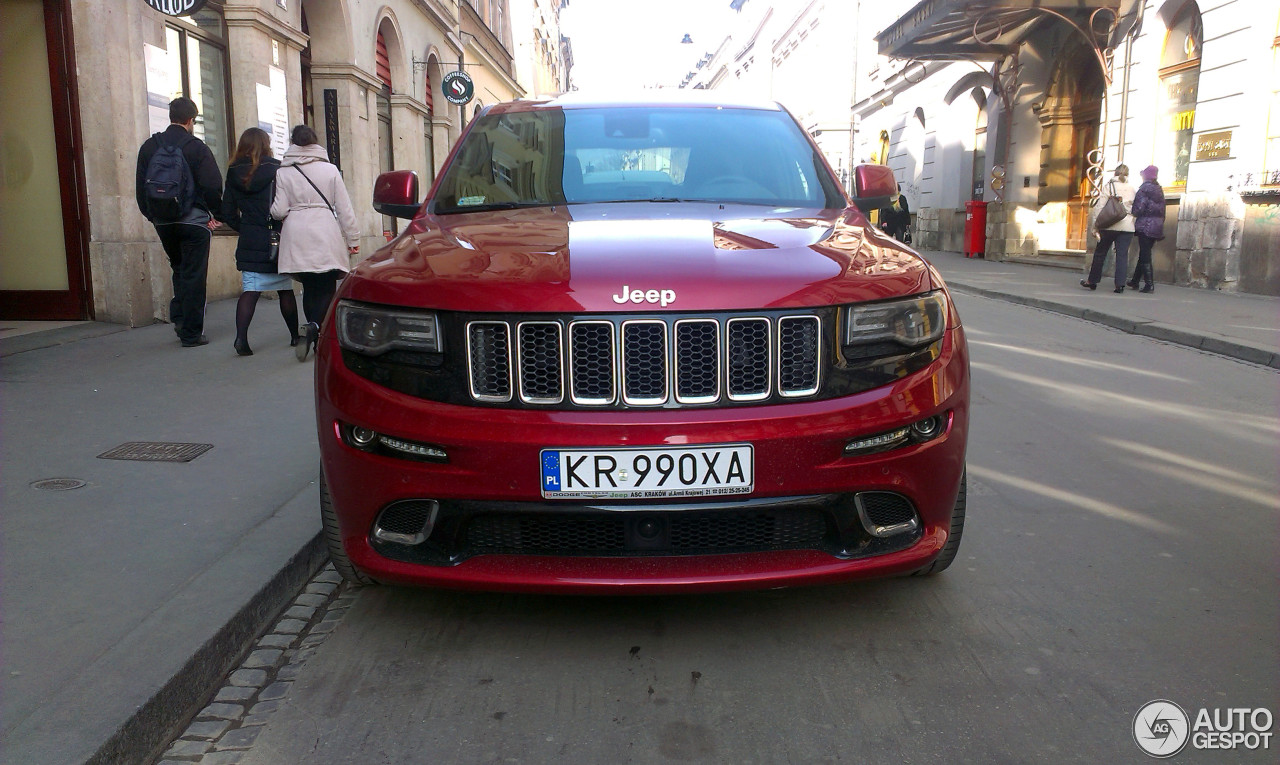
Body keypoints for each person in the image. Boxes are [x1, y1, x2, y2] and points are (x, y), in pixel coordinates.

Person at [135, 97, 224, 346]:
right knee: (194, 274)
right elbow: (212, 184)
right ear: (190, 120)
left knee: (179, 268)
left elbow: (141, 187)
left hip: (164, 222)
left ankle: (180, 318)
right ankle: (191, 332)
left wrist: (152, 216)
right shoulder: (197, 147)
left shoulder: (150, 147)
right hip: (194, 222)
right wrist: (216, 214)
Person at [270, 125, 359, 361]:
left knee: (309, 287)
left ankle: (310, 325)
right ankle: (318, 333)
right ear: (315, 142)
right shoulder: (330, 170)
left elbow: (278, 211)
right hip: (324, 230)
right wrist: (353, 238)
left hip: (296, 233)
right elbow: (344, 207)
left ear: (294, 143)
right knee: (327, 286)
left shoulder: (283, 172)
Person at [220, 128, 299, 355]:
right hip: (277, 236)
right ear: (266, 144)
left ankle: (241, 339)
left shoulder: (234, 171)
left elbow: (227, 211)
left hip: (250, 237)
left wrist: (244, 227)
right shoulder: (277, 168)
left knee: (251, 290)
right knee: (285, 289)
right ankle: (294, 337)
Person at [1081, 164, 1137, 294]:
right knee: (1122, 255)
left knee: (1100, 253)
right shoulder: (1132, 189)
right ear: (1127, 175)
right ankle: (1120, 285)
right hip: (1127, 227)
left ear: (1115, 173)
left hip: (1109, 225)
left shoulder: (1109, 187)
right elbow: (1135, 209)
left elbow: (1099, 207)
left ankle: (1092, 281)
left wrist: (1096, 225)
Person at [1127, 165, 1166, 294]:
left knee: (1145, 254)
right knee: (1145, 252)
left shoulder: (1144, 189)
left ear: (1145, 176)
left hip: (1145, 225)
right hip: (1157, 226)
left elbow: (1138, 209)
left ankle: (1149, 284)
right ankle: (1135, 281)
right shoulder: (1158, 190)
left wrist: (1132, 208)